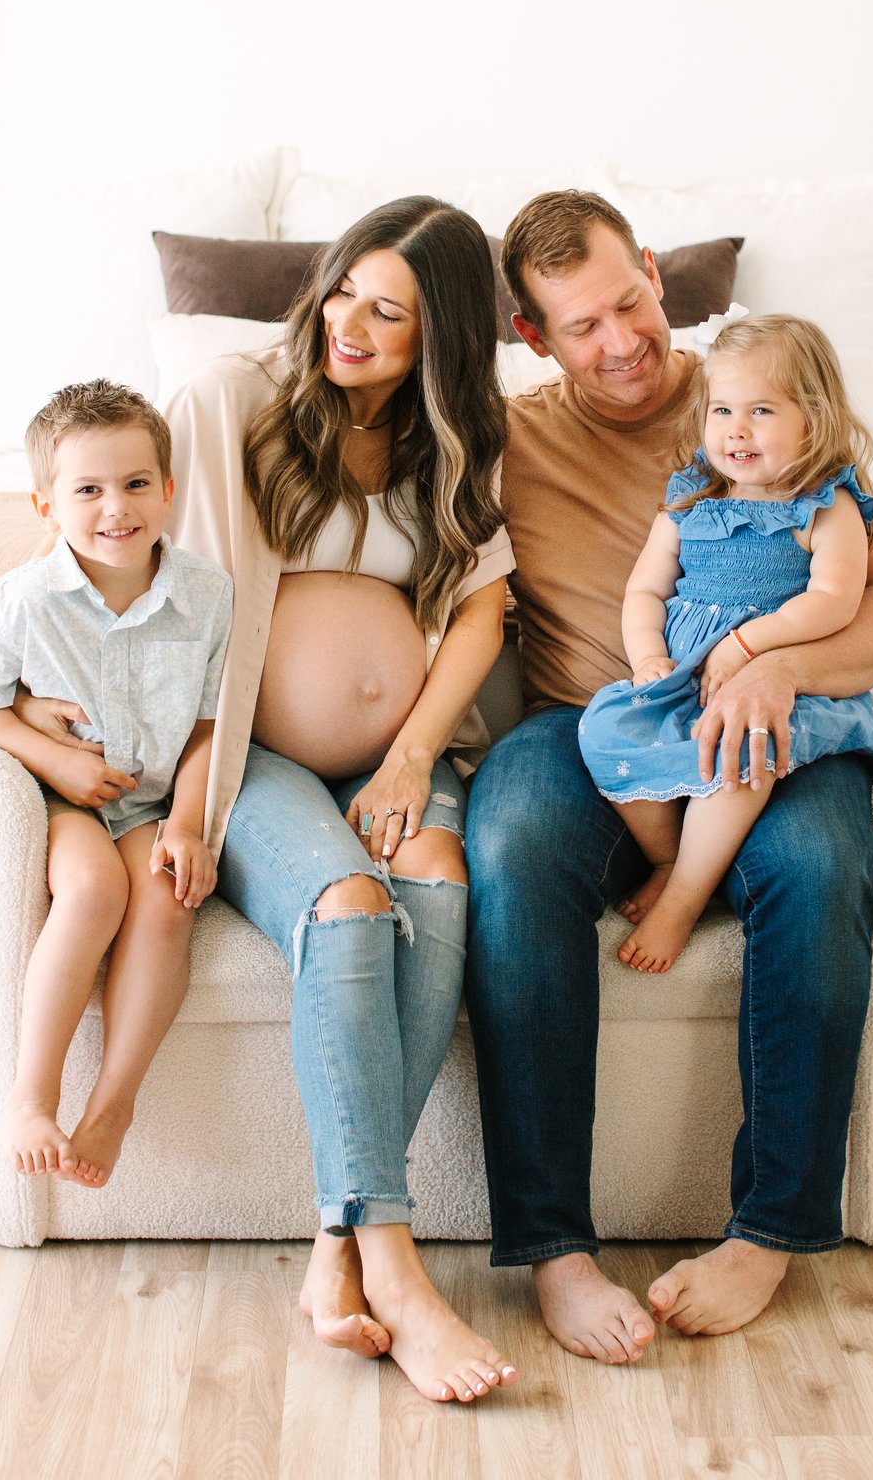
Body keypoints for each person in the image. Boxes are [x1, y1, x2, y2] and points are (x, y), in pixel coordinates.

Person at [464, 191, 873, 1361]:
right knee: (511, 841)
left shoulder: (770, 400)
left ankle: (771, 1227)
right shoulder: (510, 439)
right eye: (580, 326)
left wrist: (782, 668)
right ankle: (555, 1249)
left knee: (821, 860)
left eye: (629, 301)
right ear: (534, 338)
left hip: (772, 722)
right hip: (595, 729)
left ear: (658, 273)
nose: (619, 341)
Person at [162, 195, 519, 1407]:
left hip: (399, 758)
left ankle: (337, 1245)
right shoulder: (233, 401)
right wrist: (185, 784)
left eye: (393, 312)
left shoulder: (454, 438)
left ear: (445, 340)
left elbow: (480, 606)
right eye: (345, 291)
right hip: (252, 751)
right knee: (357, 907)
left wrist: (416, 752)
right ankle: (400, 1270)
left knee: (438, 889)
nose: (350, 327)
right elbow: (178, 594)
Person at [0, 380, 232, 1187]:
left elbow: (212, 724)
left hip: (150, 796)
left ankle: (113, 1102)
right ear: (46, 505)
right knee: (95, 889)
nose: (117, 508)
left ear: (169, 490)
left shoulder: (209, 596)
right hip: (65, 799)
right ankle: (30, 1098)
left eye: (137, 484)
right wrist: (58, 759)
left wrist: (186, 823)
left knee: (168, 896)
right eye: (89, 490)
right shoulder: (19, 604)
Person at [579, 313, 873, 974]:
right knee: (601, 728)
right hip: (682, 679)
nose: (736, 429)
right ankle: (672, 857)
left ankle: (685, 897)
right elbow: (644, 590)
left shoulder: (824, 506)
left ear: (811, 420)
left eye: (761, 410)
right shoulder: (690, 499)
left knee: (741, 748)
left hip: (770, 688)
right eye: (722, 409)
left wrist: (750, 645)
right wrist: (647, 658)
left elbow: (835, 599)